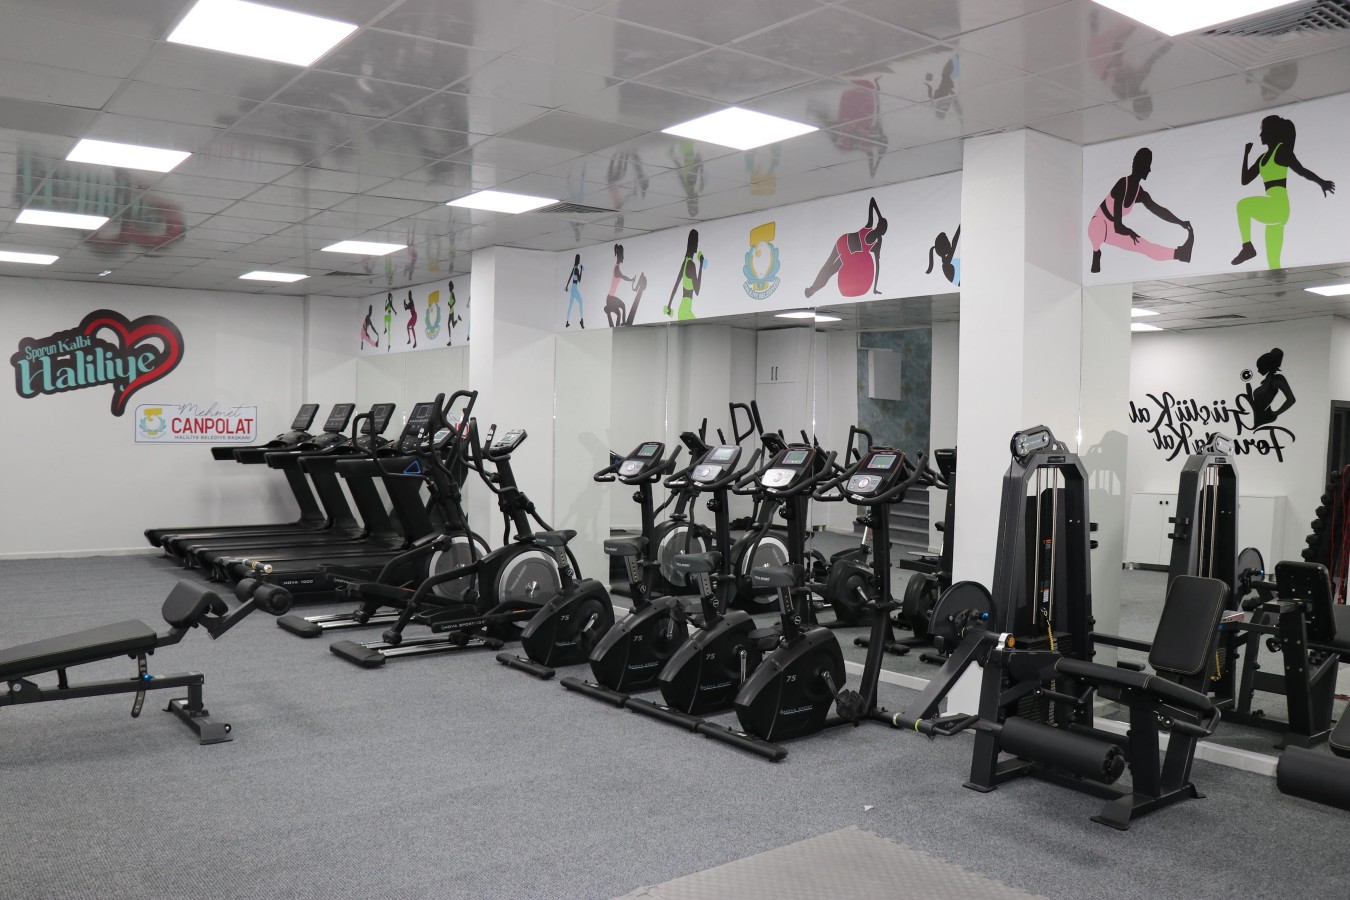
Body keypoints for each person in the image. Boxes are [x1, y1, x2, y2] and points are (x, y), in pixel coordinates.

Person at [1232, 115, 1335, 269]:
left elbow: (1301, 171)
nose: (1260, 135)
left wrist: (1322, 182)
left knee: (1243, 206)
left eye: (1263, 131)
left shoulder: (1281, 151)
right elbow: (1245, 180)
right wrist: (1246, 154)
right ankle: (1277, 283)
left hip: (1277, 205)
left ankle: (1247, 247)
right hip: (1275, 210)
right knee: (1273, 263)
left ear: (1272, 132)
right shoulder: (1262, 158)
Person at [1088, 148, 1193, 274]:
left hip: (1113, 230)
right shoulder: (1122, 184)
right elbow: (1118, 226)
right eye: (1148, 165)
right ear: (1140, 165)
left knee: (1146, 247)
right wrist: (1130, 232)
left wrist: (1180, 222)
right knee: (1098, 229)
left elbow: (1159, 211)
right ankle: (1096, 252)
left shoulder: (1140, 193)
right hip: (1098, 224)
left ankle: (1181, 254)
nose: (1149, 170)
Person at [805, 197, 886, 299]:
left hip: (849, 255)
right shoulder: (870, 228)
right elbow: (872, 201)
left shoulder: (877, 240)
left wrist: (875, 288)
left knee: (831, 269)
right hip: (844, 242)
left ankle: (814, 289)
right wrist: (879, 216)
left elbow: (877, 264)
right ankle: (813, 288)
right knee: (829, 265)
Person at [1248, 348, 1295, 428]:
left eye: (1260, 367)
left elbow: (1291, 399)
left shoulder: (1276, 380)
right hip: (1258, 418)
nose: (1258, 370)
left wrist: (1276, 413)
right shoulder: (1268, 380)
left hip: (1263, 417)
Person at [665, 230, 704, 321]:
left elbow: (676, 285)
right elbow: (697, 291)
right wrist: (701, 264)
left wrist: (669, 305)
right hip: (685, 311)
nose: (697, 245)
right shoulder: (691, 265)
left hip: (683, 310)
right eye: (696, 242)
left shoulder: (685, 262)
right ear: (693, 244)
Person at [603, 245, 636, 328]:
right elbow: (623, 277)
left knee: (619, 314)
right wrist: (631, 279)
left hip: (610, 298)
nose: (623, 257)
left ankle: (618, 328)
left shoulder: (617, 267)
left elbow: (623, 276)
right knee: (623, 306)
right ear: (620, 256)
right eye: (622, 255)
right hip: (610, 299)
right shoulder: (616, 269)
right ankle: (624, 324)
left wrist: (631, 280)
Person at [564, 254, 585, 328]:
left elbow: (570, 277)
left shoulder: (574, 267)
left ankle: (567, 322)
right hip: (575, 288)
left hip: (572, 289)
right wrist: (581, 270)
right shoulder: (577, 269)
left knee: (570, 306)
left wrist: (567, 286)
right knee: (581, 302)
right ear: (578, 260)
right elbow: (579, 280)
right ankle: (581, 320)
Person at [446, 281, 461, 346]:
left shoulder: (452, 293)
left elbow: (455, 301)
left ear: (450, 287)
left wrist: (451, 305)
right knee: (452, 325)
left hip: (451, 310)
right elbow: (452, 301)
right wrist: (449, 304)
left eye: (449, 287)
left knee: (449, 324)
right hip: (450, 310)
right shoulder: (450, 294)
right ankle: (458, 319)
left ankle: (450, 341)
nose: (449, 288)